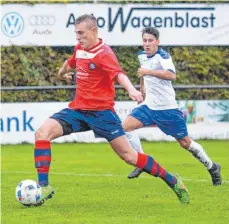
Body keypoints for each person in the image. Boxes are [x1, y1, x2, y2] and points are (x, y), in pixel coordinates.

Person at [33, 15, 189, 206]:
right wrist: (61, 73)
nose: (78, 37)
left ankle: (173, 181)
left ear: (93, 31)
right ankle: (44, 188)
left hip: (102, 114)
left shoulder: (104, 53)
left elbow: (119, 74)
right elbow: (70, 62)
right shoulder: (80, 49)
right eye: (76, 33)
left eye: (81, 33)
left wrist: (132, 90)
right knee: (42, 133)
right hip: (78, 110)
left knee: (129, 157)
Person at [123, 27, 222, 186]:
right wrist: (142, 88)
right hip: (149, 107)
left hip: (167, 109)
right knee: (125, 127)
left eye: (150, 40)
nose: (147, 44)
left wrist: (148, 71)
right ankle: (141, 162)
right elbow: (143, 73)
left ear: (157, 42)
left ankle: (212, 167)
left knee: (185, 143)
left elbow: (171, 75)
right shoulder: (141, 55)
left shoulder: (163, 56)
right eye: (144, 40)